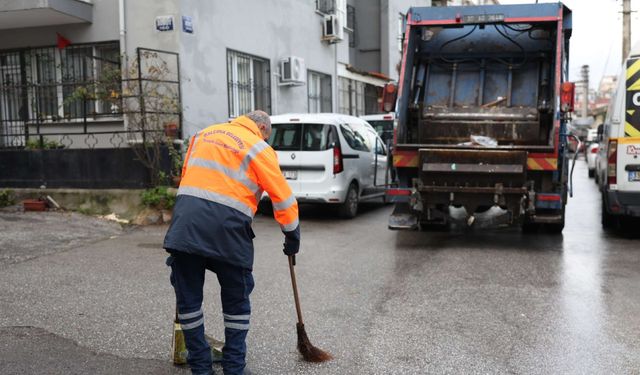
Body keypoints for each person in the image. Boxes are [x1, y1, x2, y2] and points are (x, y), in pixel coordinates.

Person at [163, 110, 300, 375]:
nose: (266, 138)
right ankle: (234, 367)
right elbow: (282, 197)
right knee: (237, 298)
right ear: (261, 127)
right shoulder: (260, 147)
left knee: (188, 299)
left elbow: (187, 175)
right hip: (228, 230)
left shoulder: (201, 135)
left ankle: (201, 368)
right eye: (267, 134)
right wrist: (292, 233)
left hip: (186, 225)